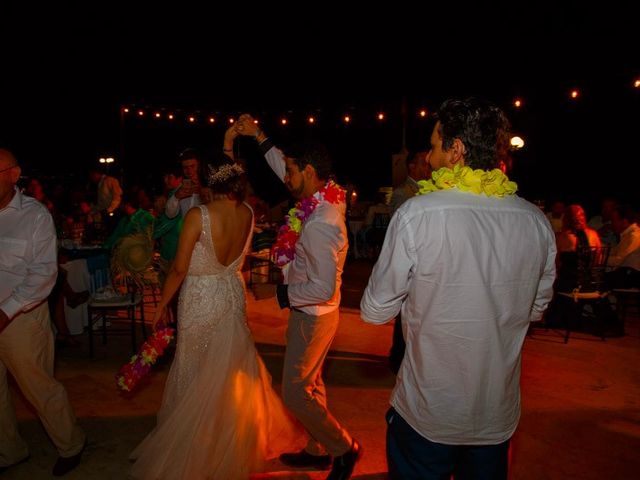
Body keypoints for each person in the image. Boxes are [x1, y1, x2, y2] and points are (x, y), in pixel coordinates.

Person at [360, 98, 557, 479]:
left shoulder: (418, 214)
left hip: (429, 410)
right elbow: (536, 308)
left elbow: (375, 309)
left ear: (456, 150)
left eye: (435, 143)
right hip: (494, 412)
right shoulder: (535, 221)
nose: (429, 152)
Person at [129, 150, 305, 479]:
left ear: (209, 182)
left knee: (195, 366)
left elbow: (180, 267)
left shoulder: (199, 215)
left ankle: (197, 443)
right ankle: (230, 434)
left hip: (200, 298)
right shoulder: (249, 212)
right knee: (228, 369)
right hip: (232, 294)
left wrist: (162, 304)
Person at [236, 114, 362, 480]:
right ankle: (317, 449)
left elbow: (322, 288)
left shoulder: (323, 222)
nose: (285, 178)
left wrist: (277, 291)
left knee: (293, 393)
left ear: (308, 171)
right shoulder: (322, 197)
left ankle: (343, 447)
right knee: (311, 383)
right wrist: (259, 137)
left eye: (291, 171)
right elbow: (280, 166)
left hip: (315, 313)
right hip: (312, 311)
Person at [0, 148, 86, 476]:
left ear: (13, 174)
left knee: (39, 387)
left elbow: (44, 274)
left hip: (21, 317)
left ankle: (71, 443)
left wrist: (5, 311)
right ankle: (9, 450)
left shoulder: (34, 215)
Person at [388, 149, 431, 375]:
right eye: (424, 163)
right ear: (412, 167)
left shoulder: (428, 191)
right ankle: (398, 359)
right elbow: (398, 232)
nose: (429, 167)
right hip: (409, 263)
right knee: (404, 315)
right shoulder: (404, 192)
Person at [164, 147, 204, 221]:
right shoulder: (181, 189)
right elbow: (170, 214)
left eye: (192, 166)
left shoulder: (209, 185)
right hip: (188, 231)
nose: (189, 171)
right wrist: (176, 197)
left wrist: (202, 191)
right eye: (185, 167)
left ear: (199, 166)